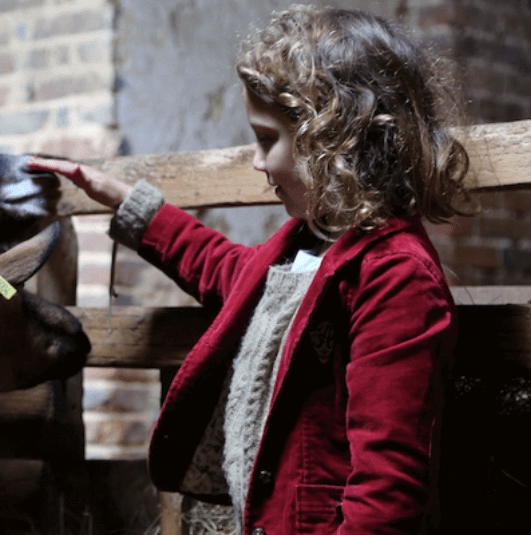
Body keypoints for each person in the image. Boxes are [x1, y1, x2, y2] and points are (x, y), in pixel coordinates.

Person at [29, 4, 477, 534]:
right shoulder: (307, 244)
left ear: (331, 139)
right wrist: (126, 201)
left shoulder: (394, 275)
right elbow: (221, 267)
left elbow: (387, 487)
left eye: (268, 139)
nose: (258, 162)